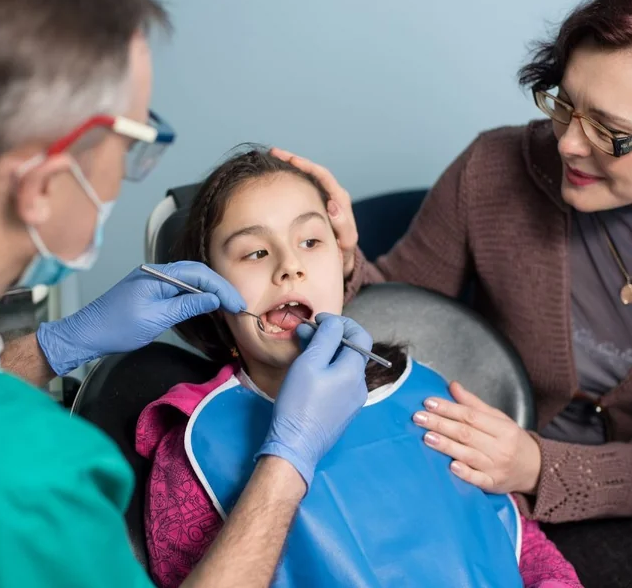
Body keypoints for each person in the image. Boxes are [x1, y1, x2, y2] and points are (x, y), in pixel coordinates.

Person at [271, 0, 632, 586]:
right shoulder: (492, 167)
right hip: (452, 469)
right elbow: (388, 320)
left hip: (616, 506)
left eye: (610, 131)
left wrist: (537, 465)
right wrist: (340, 259)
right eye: (565, 104)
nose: (568, 143)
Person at [0, 0, 371, 586]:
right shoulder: (34, 481)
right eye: (133, 144)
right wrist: (287, 463)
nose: (289, 267)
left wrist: (55, 345)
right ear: (48, 185)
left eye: (310, 242)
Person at [136, 148, 583, 588]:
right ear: (209, 293)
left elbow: (522, 547)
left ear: (343, 262)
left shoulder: (427, 395)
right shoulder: (195, 450)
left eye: (310, 242)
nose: (290, 266)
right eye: (255, 253)